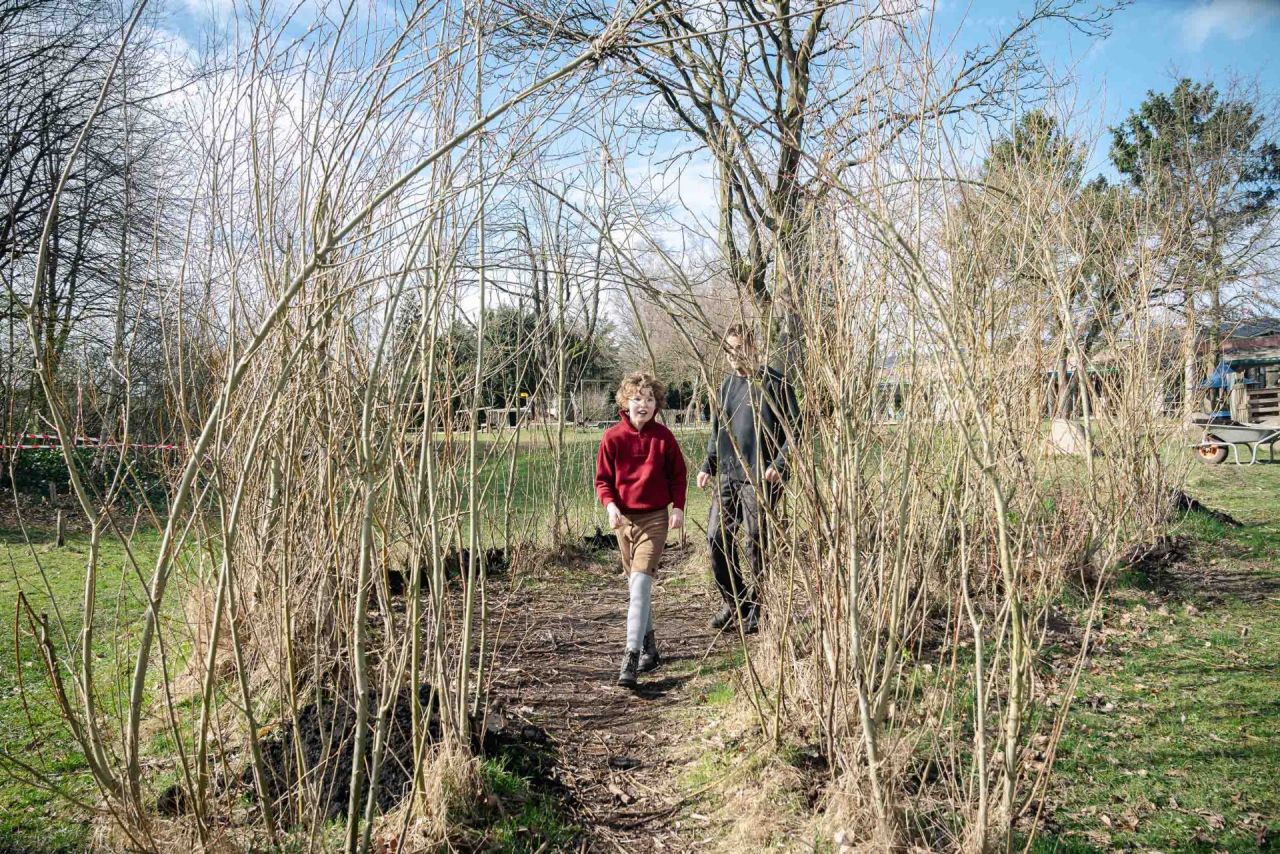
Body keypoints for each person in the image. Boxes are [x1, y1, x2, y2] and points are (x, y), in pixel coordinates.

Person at [697, 323, 799, 634]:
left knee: (756, 540)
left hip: (761, 477)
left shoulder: (775, 383)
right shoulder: (725, 387)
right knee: (716, 538)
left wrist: (780, 465)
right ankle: (735, 600)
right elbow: (718, 432)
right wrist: (707, 465)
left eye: (739, 348)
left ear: (754, 348)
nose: (733, 355)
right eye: (728, 350)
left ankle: (760, 605)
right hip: (728, 474)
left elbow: (796, 430)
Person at [595, 371, 688, 688]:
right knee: (637, 589)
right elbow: (603, 481)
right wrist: (610, 506)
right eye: (638, 398)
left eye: (650, 399)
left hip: (655, 520)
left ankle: (630, 658)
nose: (644, 404)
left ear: (657, 404)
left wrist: (678, 507)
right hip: (623, 522)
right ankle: (650, 647)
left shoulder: (664, 438)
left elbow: (678, 475)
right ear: (625, 402)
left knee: (640, 586)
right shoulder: (612, 438)